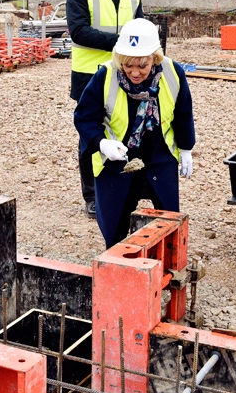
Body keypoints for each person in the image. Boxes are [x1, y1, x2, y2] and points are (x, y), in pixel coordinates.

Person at [74, 19, 195, 248]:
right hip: (117, 159)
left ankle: (164, 262)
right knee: (114, 224)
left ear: (154, 58)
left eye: (142, 65)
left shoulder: (172, 72)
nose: (135, 72)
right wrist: (102, 144)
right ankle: (118, 261)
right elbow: (84, 117)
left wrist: (186, 148)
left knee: (167, 221)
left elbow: (183, 112)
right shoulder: (105, 76)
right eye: (128, 65)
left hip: (159, 154)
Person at [67, 0, 144, 218]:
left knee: (126, 129)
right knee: (91, 134)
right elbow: (78, 31)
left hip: (125, 72)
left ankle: (123, 187)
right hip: (89, 74)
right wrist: (122, 43)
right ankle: (92, 196)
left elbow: (138, 25)